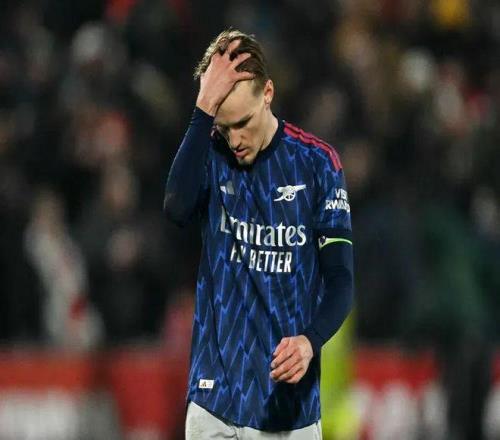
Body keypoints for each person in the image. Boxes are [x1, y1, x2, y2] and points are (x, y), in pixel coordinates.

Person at [164, 29, 354, 439]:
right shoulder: (209, 152)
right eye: (224, 127)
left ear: (268, 92)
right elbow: (176, 208)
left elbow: (341, 279)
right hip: (213, 402)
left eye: (243, 123)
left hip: (286, 408)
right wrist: (202, 109)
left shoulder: (317, 165)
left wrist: (310, 341)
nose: (234, 140)